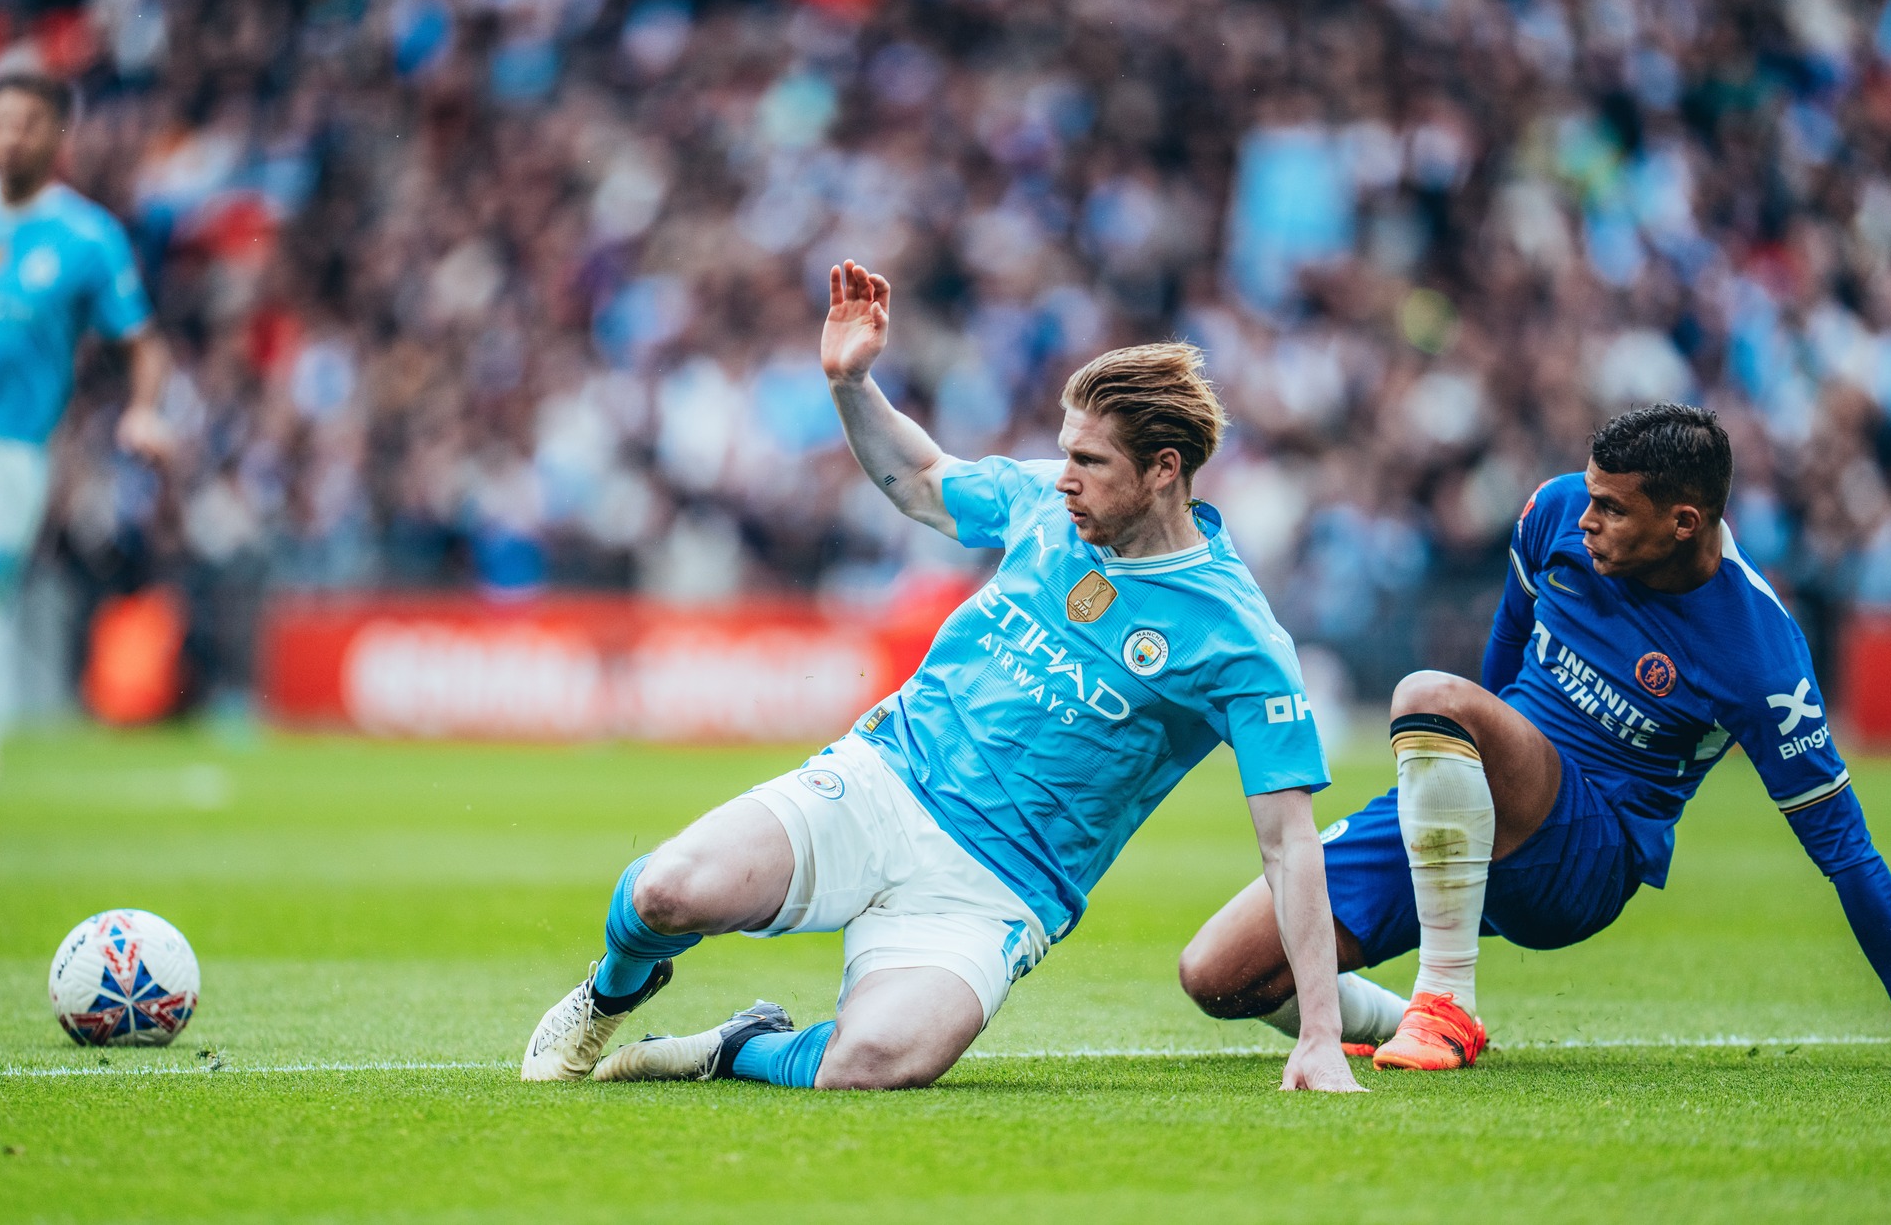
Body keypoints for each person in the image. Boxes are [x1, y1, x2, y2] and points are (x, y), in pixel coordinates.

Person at [520, 261, 1379, 1093]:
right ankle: (611, 994)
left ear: (1163, 470)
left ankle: (738, 1044)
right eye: (1064, 453)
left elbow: (1289, 844)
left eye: (1093, 463)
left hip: (1000, 886)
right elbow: (926, 479)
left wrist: (1318, 1035)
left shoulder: (1238, 637)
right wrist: (853, 385)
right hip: (885, 782)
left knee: (875, 1062)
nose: (1066, 479)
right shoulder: (1048, 502)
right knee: (669, 892)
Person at [1179, 403, 1891, 1072]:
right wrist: (1449, 806)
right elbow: (1502, 660)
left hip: (1587, 848)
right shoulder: (1557, 511)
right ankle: (1403, 1014)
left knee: (1426, 692)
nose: (1589, 517)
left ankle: (1448, 1001)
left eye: (1613, 507)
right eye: (1592, 495)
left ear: (1684, 521)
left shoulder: (1761, 656)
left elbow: (1845, 849)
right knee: (1215, 974)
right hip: (1479, 792)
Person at [0, 70, 171, 767]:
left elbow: (141, 341)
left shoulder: (88, 237)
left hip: (13, 455)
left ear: (56, 135)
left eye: (27, 124)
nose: (10, 138)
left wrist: (142, 411)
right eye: (0, 123)